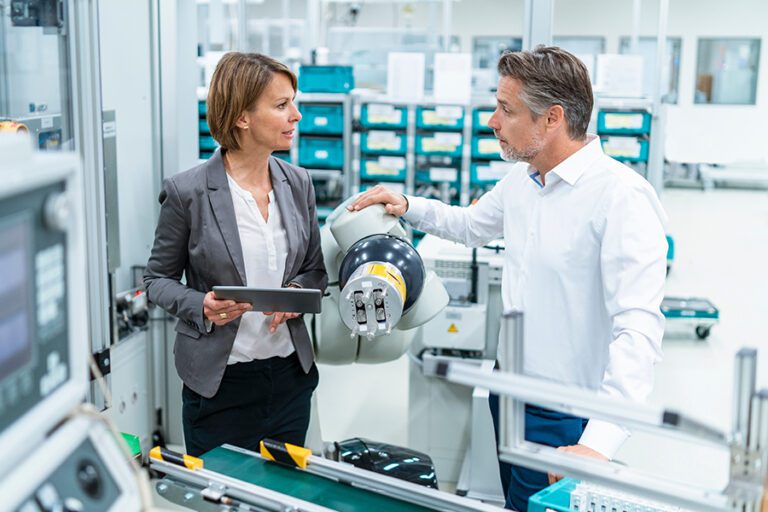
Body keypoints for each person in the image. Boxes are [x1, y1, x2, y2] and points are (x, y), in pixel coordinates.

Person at [350, 45, 667, 510]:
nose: (492, 121)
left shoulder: (621, 199)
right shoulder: (524, 180)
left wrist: (598, 443)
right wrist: (407, 205)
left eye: (506, 109)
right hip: (510, 392)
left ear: (552, 118)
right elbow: (471, 224)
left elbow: (638, 328)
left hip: (567, 413)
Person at [144, 52, 327, 457]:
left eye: (293, 102)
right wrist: (201, 305)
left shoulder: (298, 183)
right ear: (242, 118)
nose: (296, 115)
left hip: (288, 378)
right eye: (282, 106)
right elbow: (156, 281)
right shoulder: (187, 191)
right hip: (219, 385)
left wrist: (295, 292)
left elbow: (315, 269)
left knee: (283, 495)